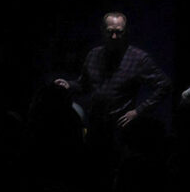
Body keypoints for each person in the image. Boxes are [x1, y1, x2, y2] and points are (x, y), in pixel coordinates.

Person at [55, 12, 172, 152]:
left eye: (119, 32)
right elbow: (84, 84)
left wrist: (138, 111)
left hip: (120, 129)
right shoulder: (94, 55)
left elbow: (164, 84)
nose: (114, 37)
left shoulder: (138, 59)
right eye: (110, 32)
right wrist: (69, 85)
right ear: (103, 31)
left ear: (126, 32)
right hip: (95, 125)